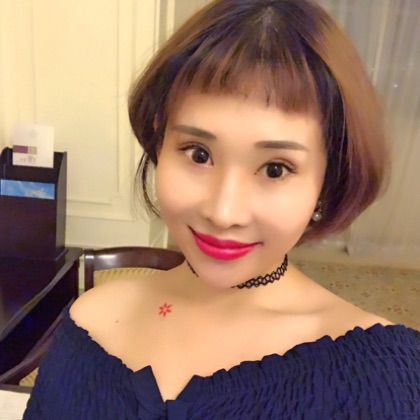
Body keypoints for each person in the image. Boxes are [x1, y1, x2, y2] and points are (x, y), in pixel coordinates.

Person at [23, 0, 419, 419]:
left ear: (328, 178)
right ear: (159, 144)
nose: (223, 211)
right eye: (198, 154)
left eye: (275, 168)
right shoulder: (88, 325)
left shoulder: (387, 381)